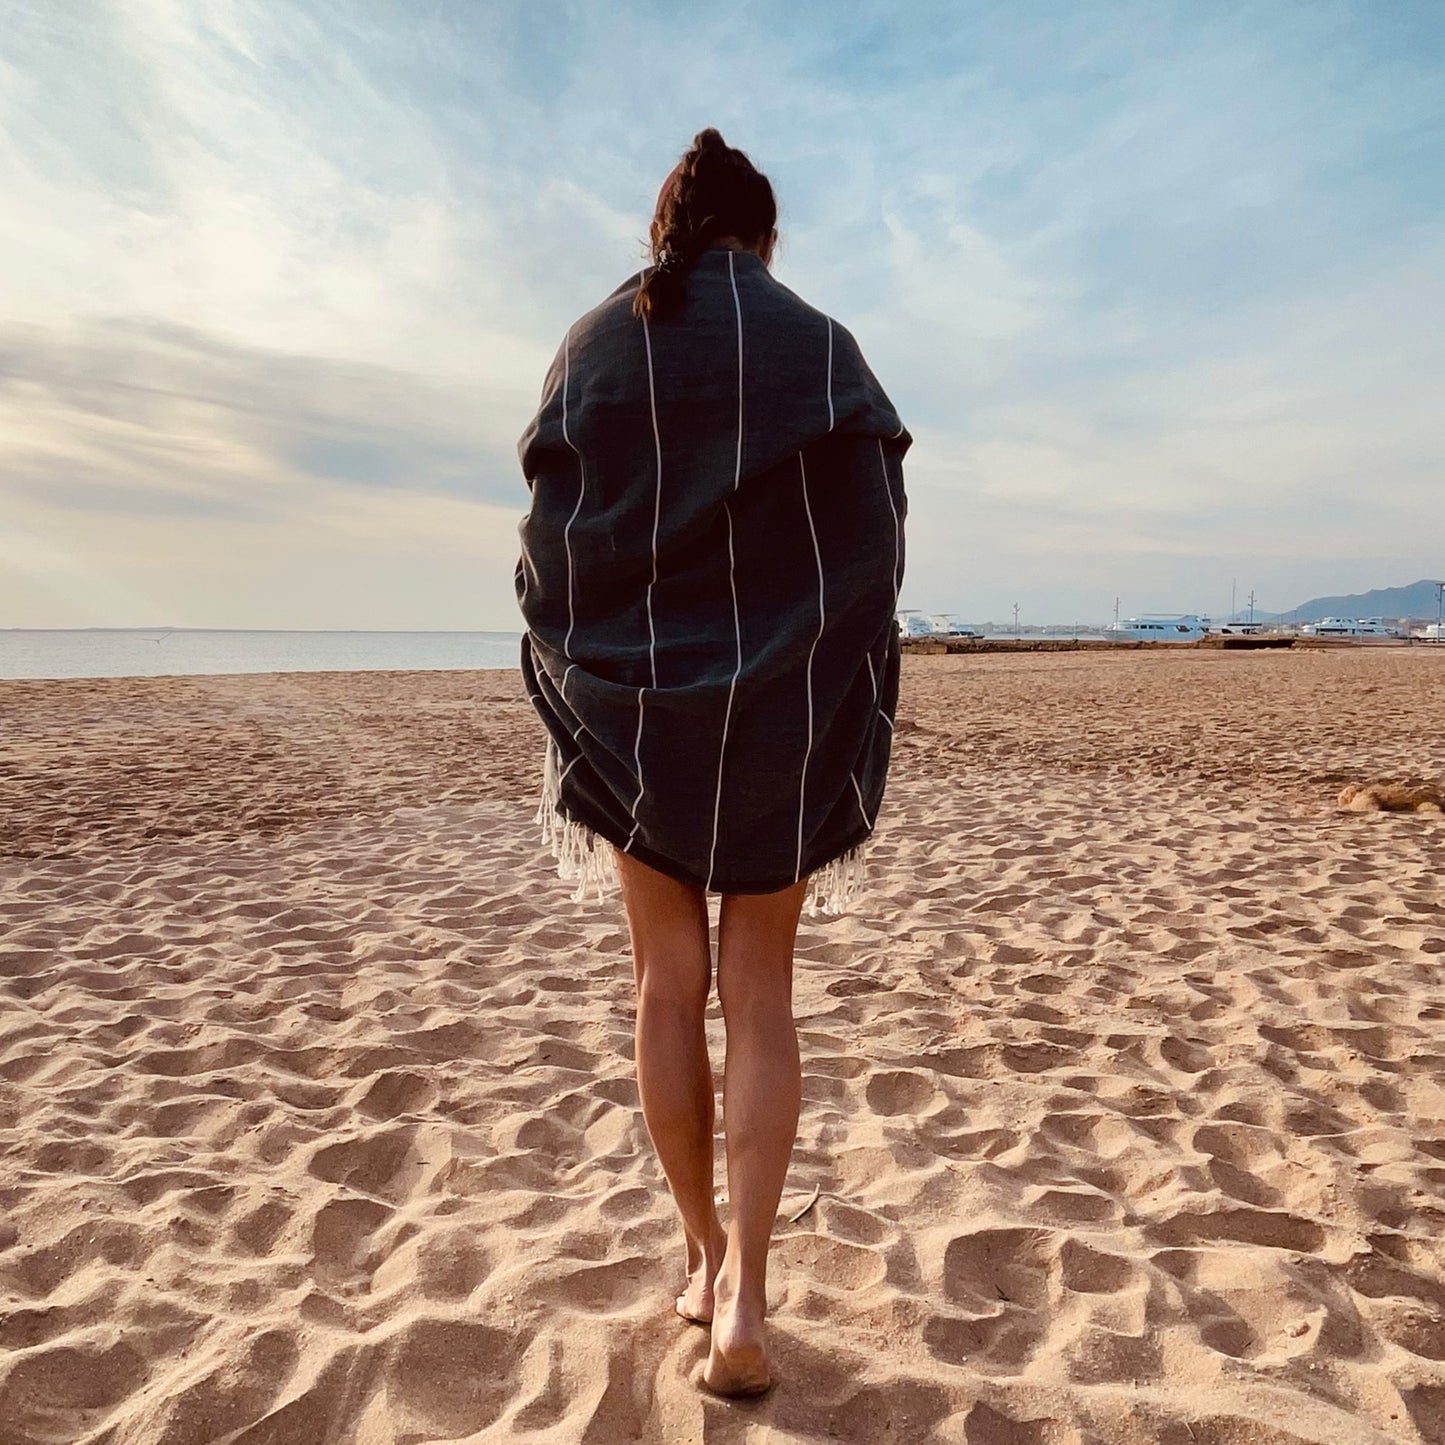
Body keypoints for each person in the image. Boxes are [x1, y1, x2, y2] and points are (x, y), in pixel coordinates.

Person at [515, 128, 909, 1397]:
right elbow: (873, 540)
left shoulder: (590, 346)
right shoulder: (821, 346)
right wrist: (820, 662)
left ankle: (697, 1254)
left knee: (662, 979)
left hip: (635, 715)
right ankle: (744, 1294)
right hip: (782, 714)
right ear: (764, 234)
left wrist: (586, 661)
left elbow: (549, 536)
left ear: (664, 227)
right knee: (760, 990)